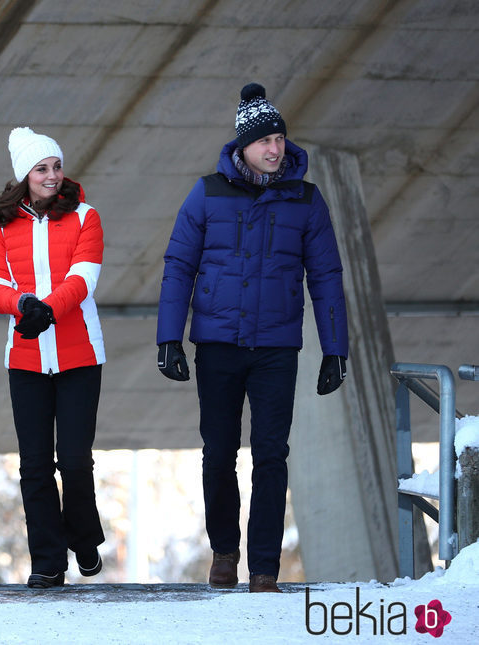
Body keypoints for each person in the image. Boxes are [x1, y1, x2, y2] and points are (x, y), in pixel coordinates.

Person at [156, 83, 349, 593]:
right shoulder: (207, 192)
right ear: (243, 145)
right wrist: (168, 338)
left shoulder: (305, 199)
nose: (275, 148)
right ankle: (224, 551)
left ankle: (264, 567)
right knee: (218, 452)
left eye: (280, 138)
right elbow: (179, 266)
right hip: (217, 343)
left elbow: (326, 275)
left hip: (276, 348)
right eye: (265, 140)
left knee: (271, 453)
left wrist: (336, 348)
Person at [0, 127, 106, 589]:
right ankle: (48, 562)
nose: (52, 175)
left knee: (74, 460)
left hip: (80, 356)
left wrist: (46, 309)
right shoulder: (4, 224)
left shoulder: (85, 217)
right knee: (34, 465)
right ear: (24, 177)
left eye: (56, 166)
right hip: (26, 360)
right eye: (42, 169)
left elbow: (84, 277)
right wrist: (21, 306)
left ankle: (84, 538)